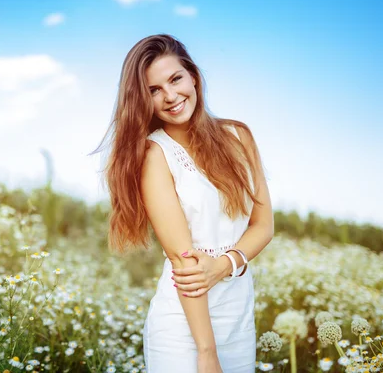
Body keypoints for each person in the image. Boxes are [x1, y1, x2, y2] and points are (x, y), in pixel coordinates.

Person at [94, 34, 274, 373]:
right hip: (183, 327)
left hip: (238, 317)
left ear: (193, 75)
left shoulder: (240, 136)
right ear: (142, 101)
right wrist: (206, 353)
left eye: (175, 79)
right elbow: (183, 260)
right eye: (154, 90)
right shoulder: (154, 153)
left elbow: (263, 226)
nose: (171, 96)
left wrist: (224, 265)